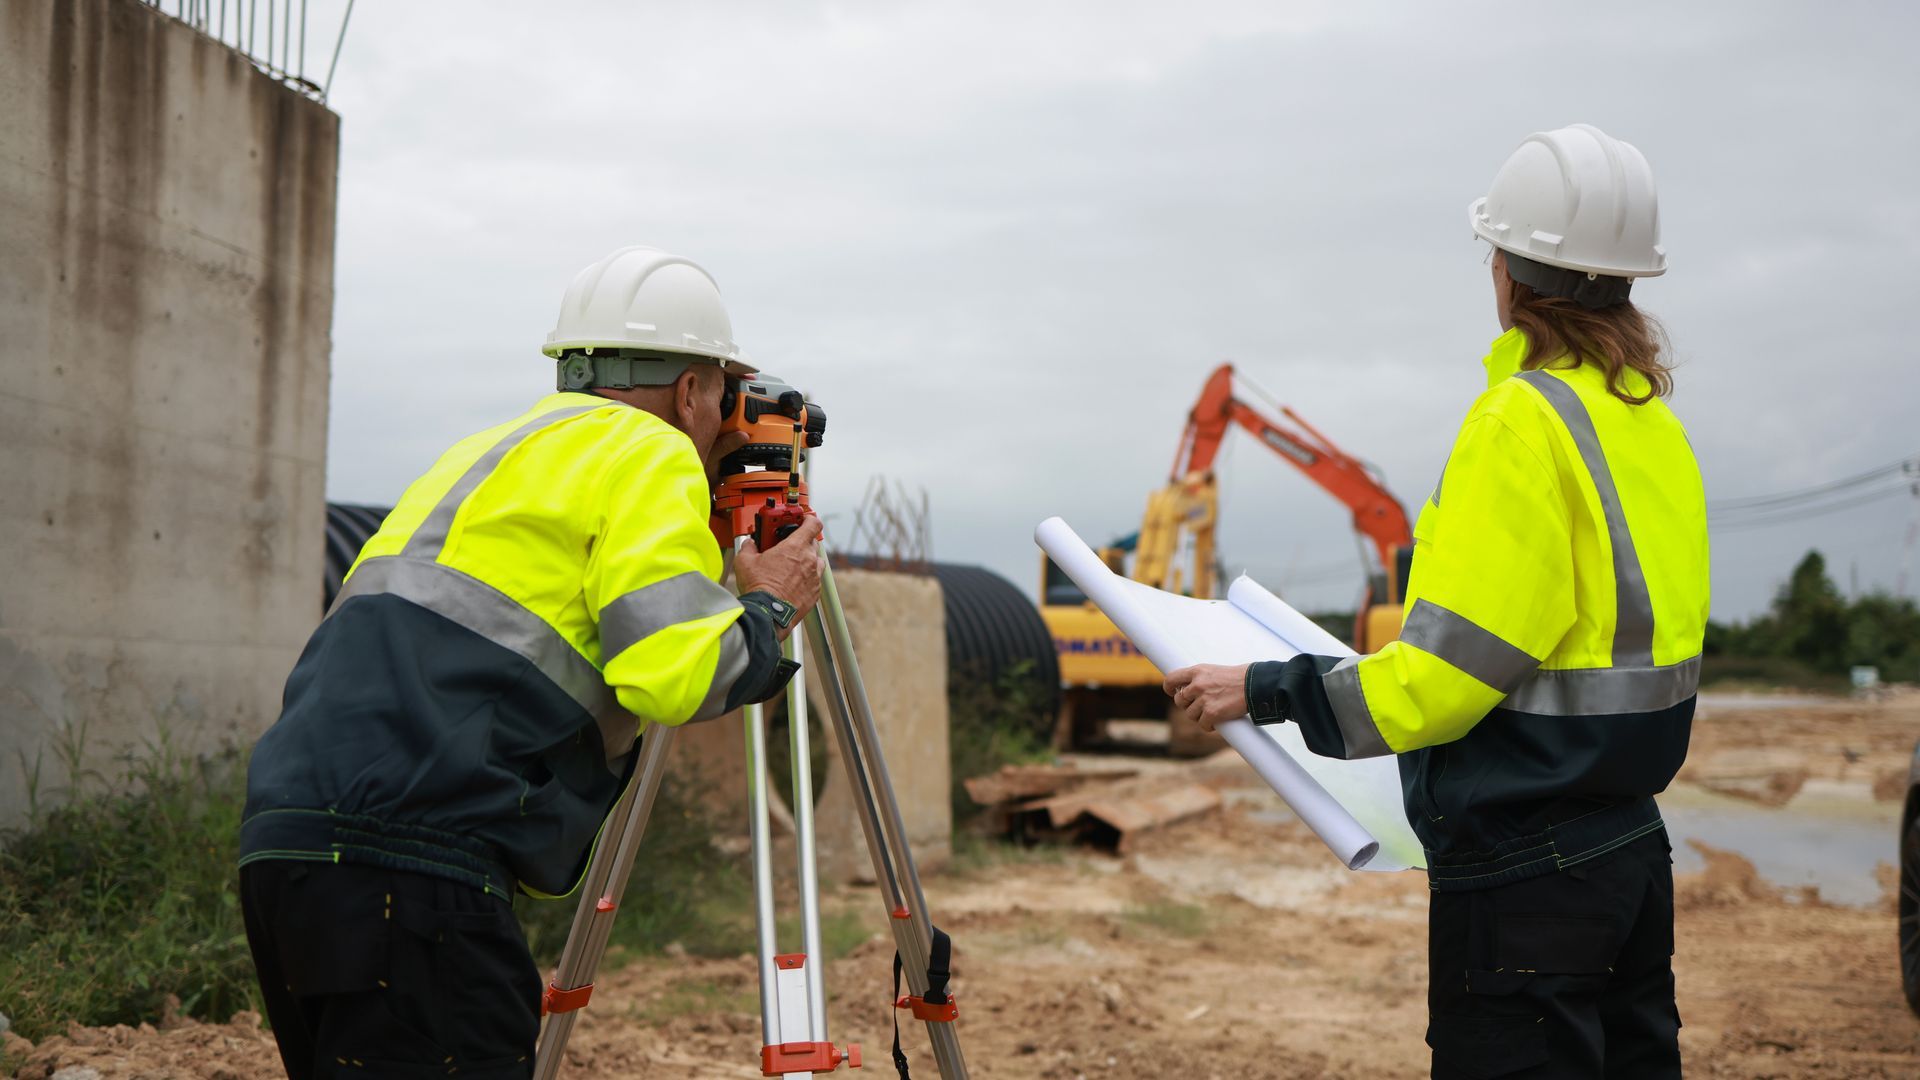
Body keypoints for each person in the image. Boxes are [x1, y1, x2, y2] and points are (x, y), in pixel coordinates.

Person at [1164, 125, 1705, 1079]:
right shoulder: (1646, 422)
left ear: (1511, 272)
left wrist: (1266, 690)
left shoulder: (1521, 422)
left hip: (1526, 870)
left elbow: (1447, 679)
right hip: (1628, 849)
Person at [238, 246, 824, 1079]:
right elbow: (673, 673)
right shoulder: (648, 453)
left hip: (288, 845)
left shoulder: (489, 452)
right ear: (693, 390)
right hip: (413, 865)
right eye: (722, 392)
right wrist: (768, 607)